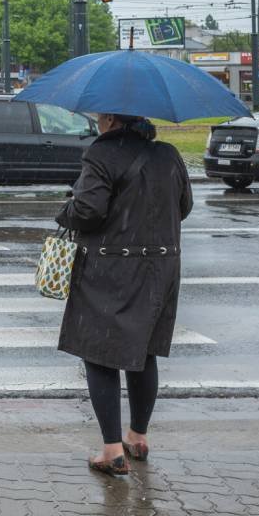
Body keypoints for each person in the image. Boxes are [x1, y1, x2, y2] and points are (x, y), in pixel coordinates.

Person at [55, 112, 192, 477]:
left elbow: (88, 210)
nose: (98, 121)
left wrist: (66, 210)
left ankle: (112, 451)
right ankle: (138, 436)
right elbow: (184, 206)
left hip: (111, 267)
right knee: (144, 351)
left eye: (101, 116)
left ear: (112, 119)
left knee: (99, 354)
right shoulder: (168, 154)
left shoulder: (102, 154)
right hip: (161, 267)